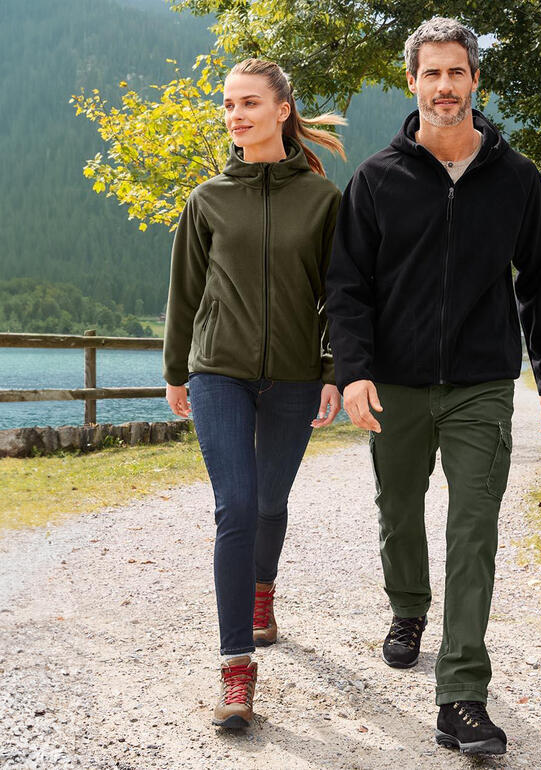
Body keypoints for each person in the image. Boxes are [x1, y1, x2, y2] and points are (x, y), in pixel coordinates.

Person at [326, 17, 541, 756]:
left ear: (474, 81)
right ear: (413, 82)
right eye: (431, 73)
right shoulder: (376, 178)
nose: (444, 86)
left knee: (473, 530)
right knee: (398, 507)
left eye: (456, 72)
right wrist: (355, 370)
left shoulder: (518, 179)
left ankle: (461, 694)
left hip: (481, 383)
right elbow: (347, 286)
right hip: (394, 382)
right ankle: (408, 608)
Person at [162, 58, 344, 729]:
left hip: (296, 374)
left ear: (282, 110)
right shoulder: (207, 199)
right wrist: (176, 369)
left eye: (248, 103)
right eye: (228, 106)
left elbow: (340, 297)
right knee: (235, 506)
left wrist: (333, 371)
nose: (235, 116)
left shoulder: (324, 202)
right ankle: (236, 667)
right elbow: (185, 292)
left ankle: (261, 593)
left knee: (270, 500)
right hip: (219, 372)